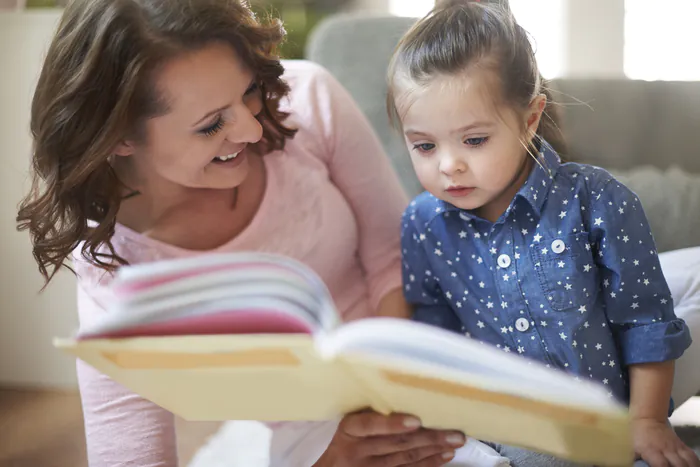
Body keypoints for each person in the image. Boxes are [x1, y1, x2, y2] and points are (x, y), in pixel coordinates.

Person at [15, 0, 472, 465]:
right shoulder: (115, 270)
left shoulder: (307, 98)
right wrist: (327, 460)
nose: (253, 130)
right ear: (119, 136)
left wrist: (383, 396)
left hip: (414, 362)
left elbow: (396, 256)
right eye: (211, 124)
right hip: (312, 439)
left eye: (249, 90)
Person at [389, 1, 699, 466]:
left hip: (606, 424)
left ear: (530, 118)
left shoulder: (599, 201)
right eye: (425, 145)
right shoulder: (423, 223)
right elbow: (436, 330)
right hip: (494, 428)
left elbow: (646, 322)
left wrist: (647, 421)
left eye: (474, 140)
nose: (448, 164)